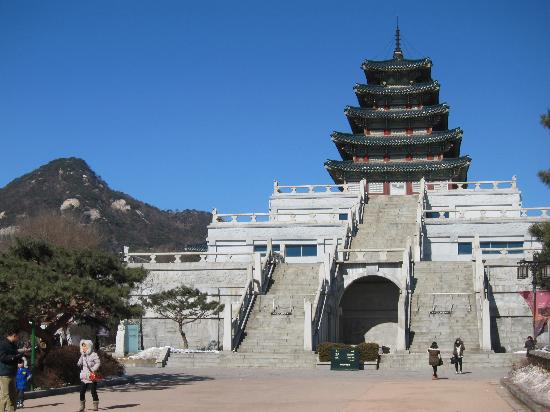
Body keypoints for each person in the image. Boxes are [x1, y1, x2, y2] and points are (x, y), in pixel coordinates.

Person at [0, 330, 24, 412]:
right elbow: (2, 357)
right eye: (17, 336)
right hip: (4, 374)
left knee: (13, 395)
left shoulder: (13, 345)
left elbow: (15, 355)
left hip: (12, 373)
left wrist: (20, 358)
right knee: (5, 396)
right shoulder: (3, 344)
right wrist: (14, 357)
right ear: (14, 335)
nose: (18, 338)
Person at [77, 340, 101, 412]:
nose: (84, 348)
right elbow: (79, 362)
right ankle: (82, 406)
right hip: (84, 375)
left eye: (85, 346)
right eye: (83, 346)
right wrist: (79, 363)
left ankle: (95, 405)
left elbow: (98, 363)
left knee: (93, 391)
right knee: (82, 391)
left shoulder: (94, 354)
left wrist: (93, 369)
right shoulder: (83, 355)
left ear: (89, 346)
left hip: (92, 375)